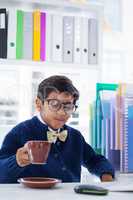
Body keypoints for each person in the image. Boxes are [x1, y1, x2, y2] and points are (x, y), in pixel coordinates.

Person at [0, 75, 115, 183]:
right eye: (54, 104)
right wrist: (16, 161)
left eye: (68, 106)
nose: (62, 112)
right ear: (39, 104)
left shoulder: (75, 136)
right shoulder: (19, 132)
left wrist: (106, 176)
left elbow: (94, 160)